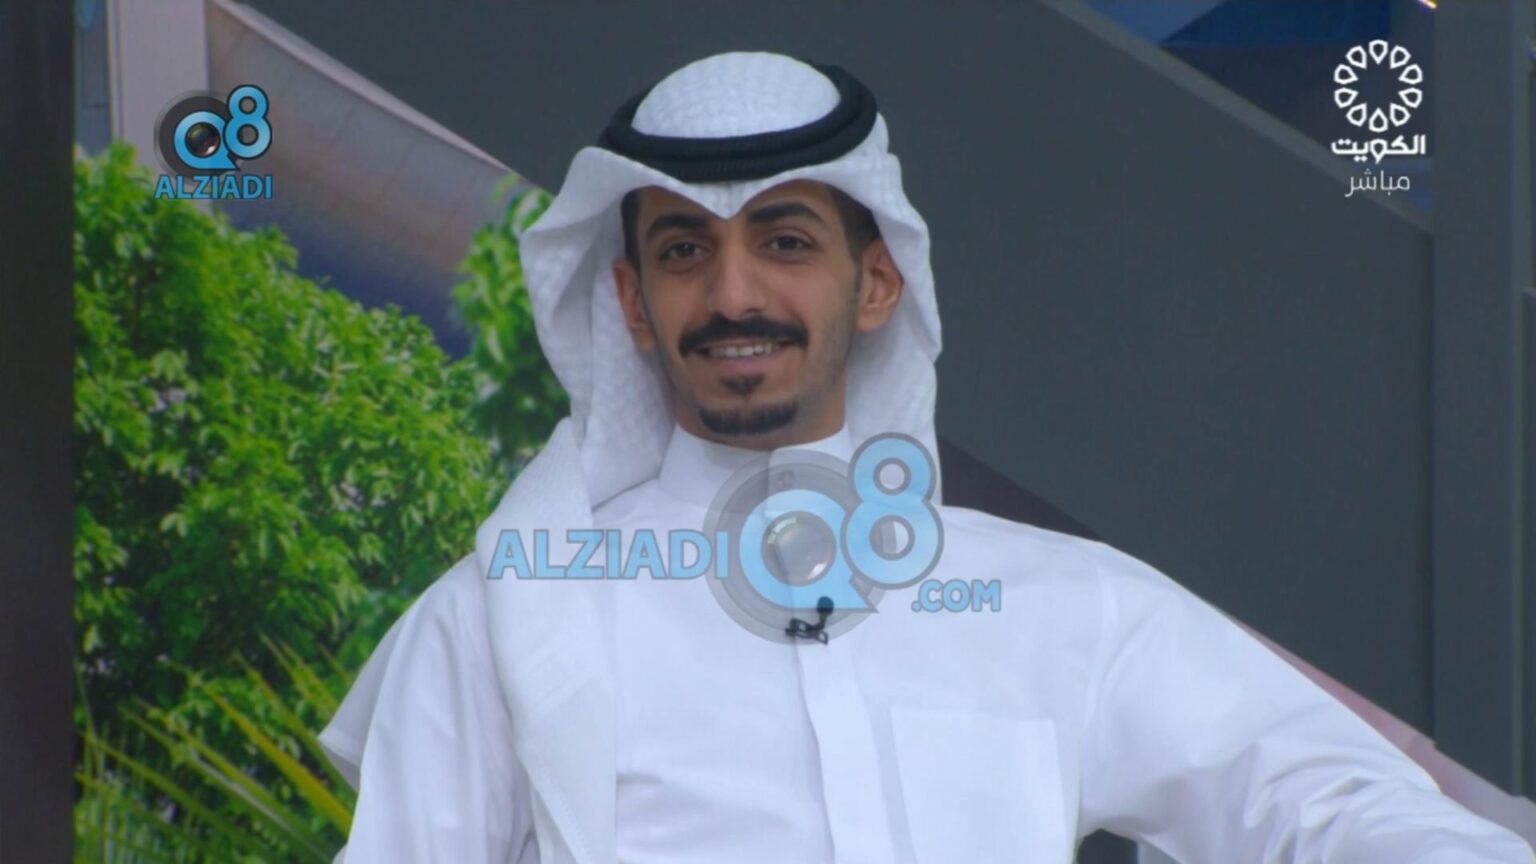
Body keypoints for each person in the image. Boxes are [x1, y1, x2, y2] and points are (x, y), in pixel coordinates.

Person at [318, 51, 1535, 863]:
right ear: (632, 301)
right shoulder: (508, 617)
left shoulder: (1052, 605)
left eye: (784, 240)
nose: (733, 295)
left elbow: (1320, 801)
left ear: (879, 280)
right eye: (685, 250)